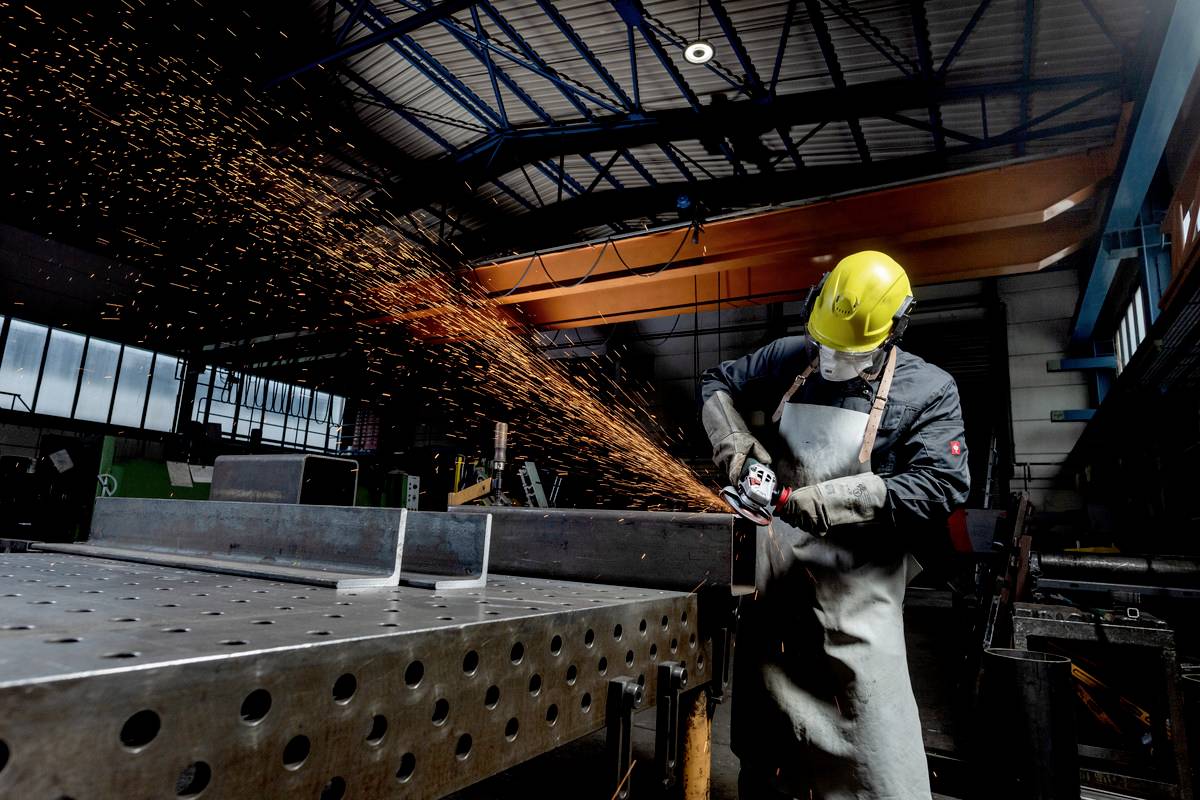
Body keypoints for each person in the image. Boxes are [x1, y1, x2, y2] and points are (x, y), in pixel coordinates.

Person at [700, 251, 970, 799]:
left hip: (855, 609)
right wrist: (734, 443)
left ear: (892, 331)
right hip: (776, 592)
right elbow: (716, 383)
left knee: (879, 772)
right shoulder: (789, 356)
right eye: (824, 344)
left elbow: (941, 484)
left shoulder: (928, 389)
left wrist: (825, 501)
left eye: (847, 352)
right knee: (767, 753)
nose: (830, 361)